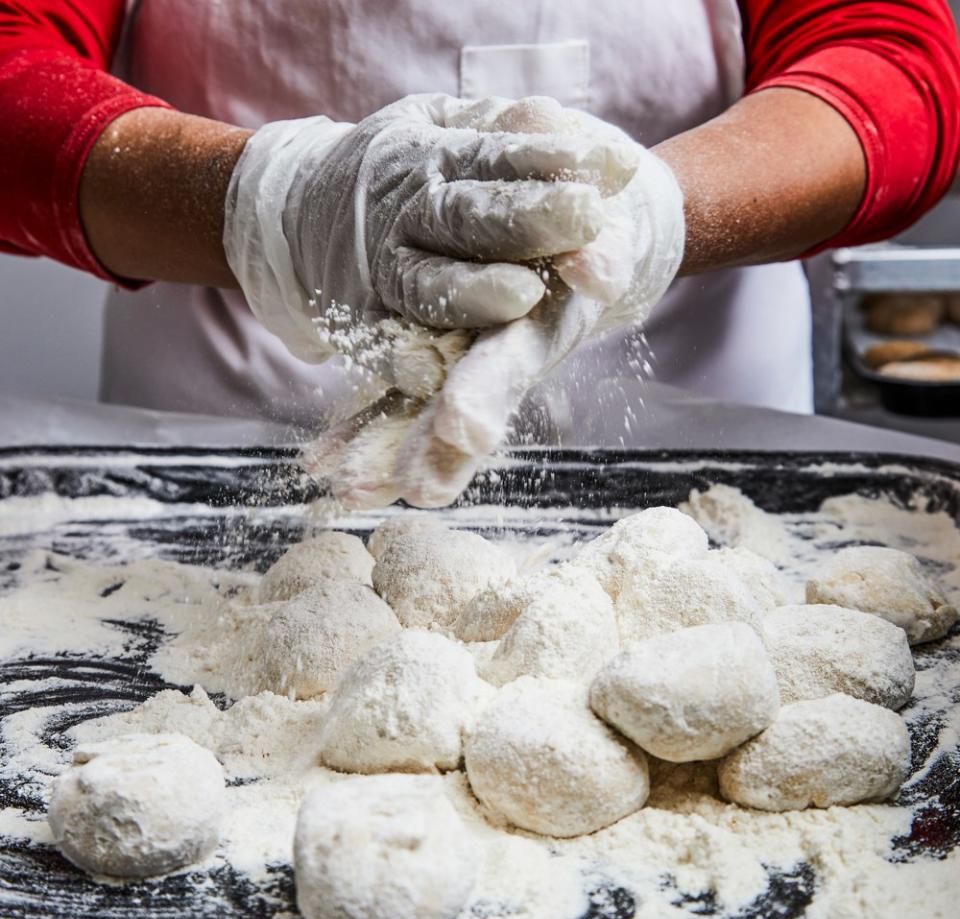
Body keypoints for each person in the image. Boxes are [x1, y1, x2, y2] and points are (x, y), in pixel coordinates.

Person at [2, 2, 959, 504]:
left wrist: (656, 218)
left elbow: (895, 60)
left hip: (696, 437)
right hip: (240, 440)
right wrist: (273, 207)